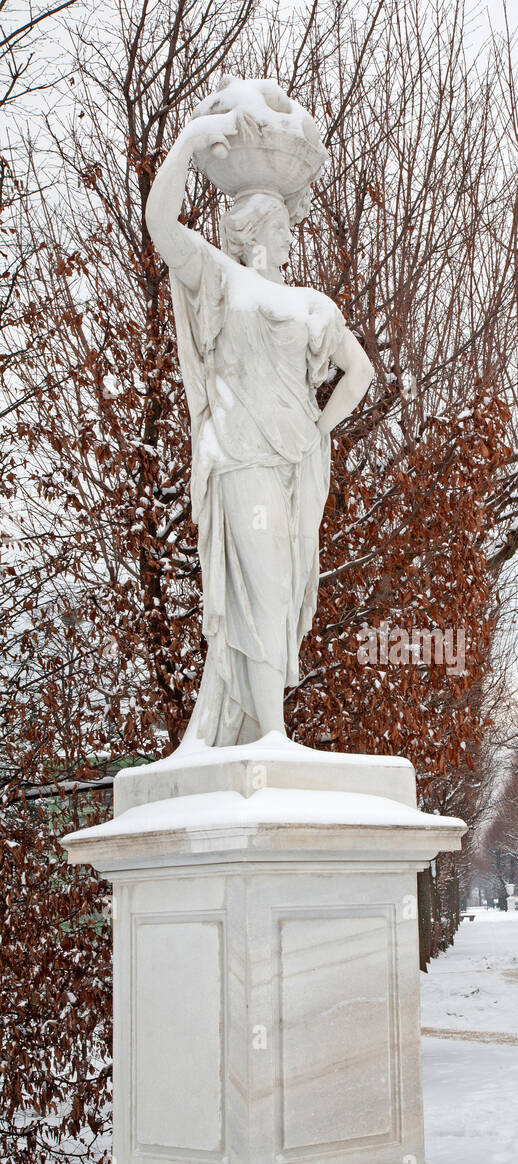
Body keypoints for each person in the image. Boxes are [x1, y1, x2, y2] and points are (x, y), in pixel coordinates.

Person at [145, 106, 373, 746]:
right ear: (249, 235)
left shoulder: (310, 306)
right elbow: (162, 226)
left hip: (294, 464)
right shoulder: (221, 283)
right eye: (278, 227)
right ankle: (268, 732)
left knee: (289, 581)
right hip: (242, 459)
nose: (288, 239)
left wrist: (316, 428)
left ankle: (264, 727)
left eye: (286, 226)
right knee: (265, 584)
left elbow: (361, 376)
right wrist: (190, 142)